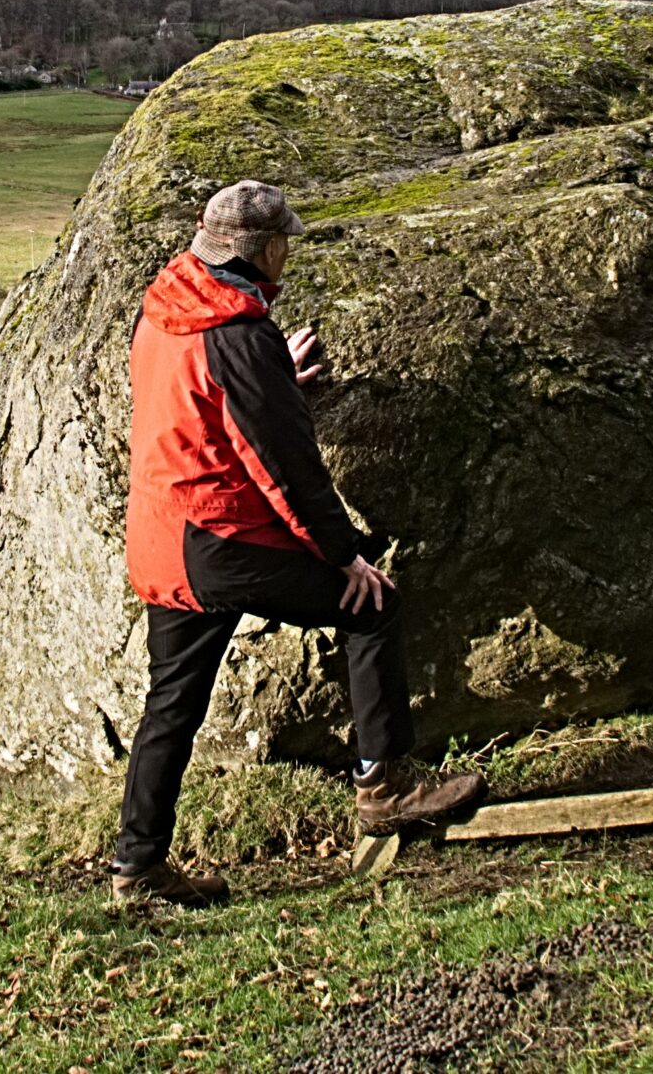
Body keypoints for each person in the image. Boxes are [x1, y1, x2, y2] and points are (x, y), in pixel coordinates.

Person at [110, 178, 483, 907]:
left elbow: (206, 406)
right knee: (371, 608)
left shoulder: (165, 310)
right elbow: (282, 465)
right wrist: (343, 556)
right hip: (219, 541)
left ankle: (137, 868)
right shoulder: (239, 336)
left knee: (171, 709)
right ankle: (383, 783)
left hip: (162, 540)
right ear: (268, 250)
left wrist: (277, 377)